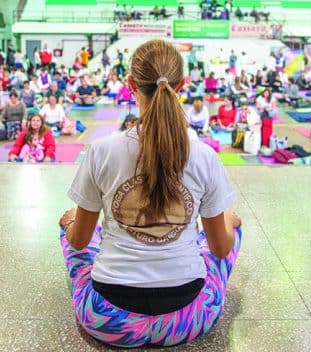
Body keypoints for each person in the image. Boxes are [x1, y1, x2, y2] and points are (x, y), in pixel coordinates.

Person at [57, 39, 241, 348]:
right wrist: (231, 226)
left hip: (108, 319)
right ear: (181, 85)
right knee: (227, 230)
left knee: (70, 228)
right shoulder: (204, 155)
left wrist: (69, 224)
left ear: (130, 84)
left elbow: (79, 241)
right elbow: (221, 249)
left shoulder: (102, 150)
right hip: (189, 317)